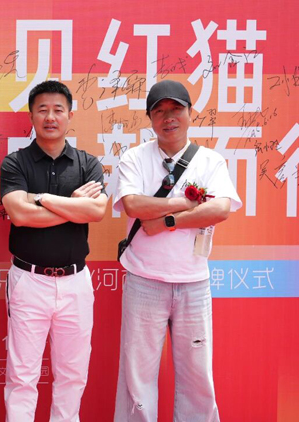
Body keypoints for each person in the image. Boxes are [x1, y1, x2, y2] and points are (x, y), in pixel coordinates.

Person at [113, 80, 242, 422]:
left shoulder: (210, 161)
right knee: (137, 378)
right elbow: (133, 204)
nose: (168, 118)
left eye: (176, 109)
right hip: (144, 281)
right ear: (150, 118)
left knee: (197, 377)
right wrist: (185, 203)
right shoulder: (135, 158)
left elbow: (220, 208)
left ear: (189, 113)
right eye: (160, 111)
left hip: (194, 283)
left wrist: (168, 221)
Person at [0, 80, 108, 421]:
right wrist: (72, 205)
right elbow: (19, 214)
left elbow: (96, 211)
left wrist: (42, 199)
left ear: (70, 116)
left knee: (72, 375)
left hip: (76, 281)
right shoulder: (15, 163)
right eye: (42, 110)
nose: (50, 117)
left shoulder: (87, 163)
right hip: (29, 280)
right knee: (22, 376)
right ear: (31, 116)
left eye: (58, 110)